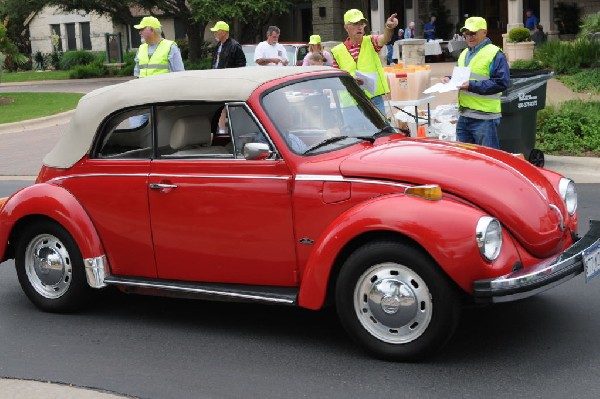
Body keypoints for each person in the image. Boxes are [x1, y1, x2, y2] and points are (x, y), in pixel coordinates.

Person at [441, 16, 509, 149]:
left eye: (473, 33)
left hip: (485, 117)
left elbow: (501, 83)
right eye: (466, 33)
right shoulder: (465, 53)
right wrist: (450, 79)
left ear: (484, 32)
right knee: (466, 161)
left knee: (488, 161)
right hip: (465, 115)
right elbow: (463, 76)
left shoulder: (495, 53)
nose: (469, 37)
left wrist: (471, 86)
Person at [331, 9, 397, 115]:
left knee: (381, 132)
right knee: (355, 132)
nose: (360, 27)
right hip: (350, 103)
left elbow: (385, 38)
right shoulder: (337, 51)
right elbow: (335, 80)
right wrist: (351, 81)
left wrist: (388, 27)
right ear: (346, 27)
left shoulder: (371, 41)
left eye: (362, 23)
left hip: (374, 99)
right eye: (355, 24)